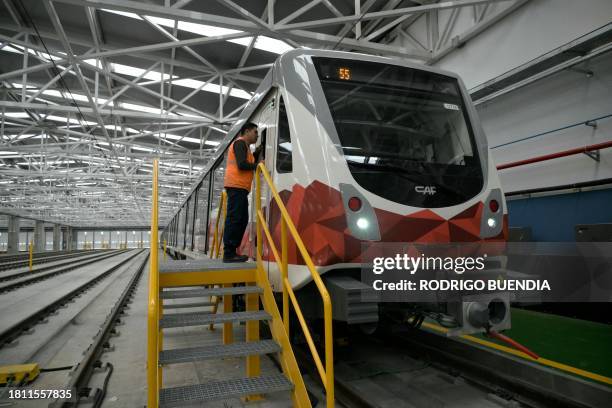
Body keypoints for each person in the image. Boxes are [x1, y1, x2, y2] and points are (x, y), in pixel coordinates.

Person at [222, 122, 262, 262]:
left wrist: (256, 154)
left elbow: (247, 160)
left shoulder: (246, 147)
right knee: (235, 218)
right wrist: (258, 165)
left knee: (242, 218)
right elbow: (242, 164)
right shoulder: (240, 144)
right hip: (236, 186)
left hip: (241, 188)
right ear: (247, 131)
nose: (257, 135)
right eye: (255, 132)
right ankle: (229, 253)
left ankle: (233, 250)